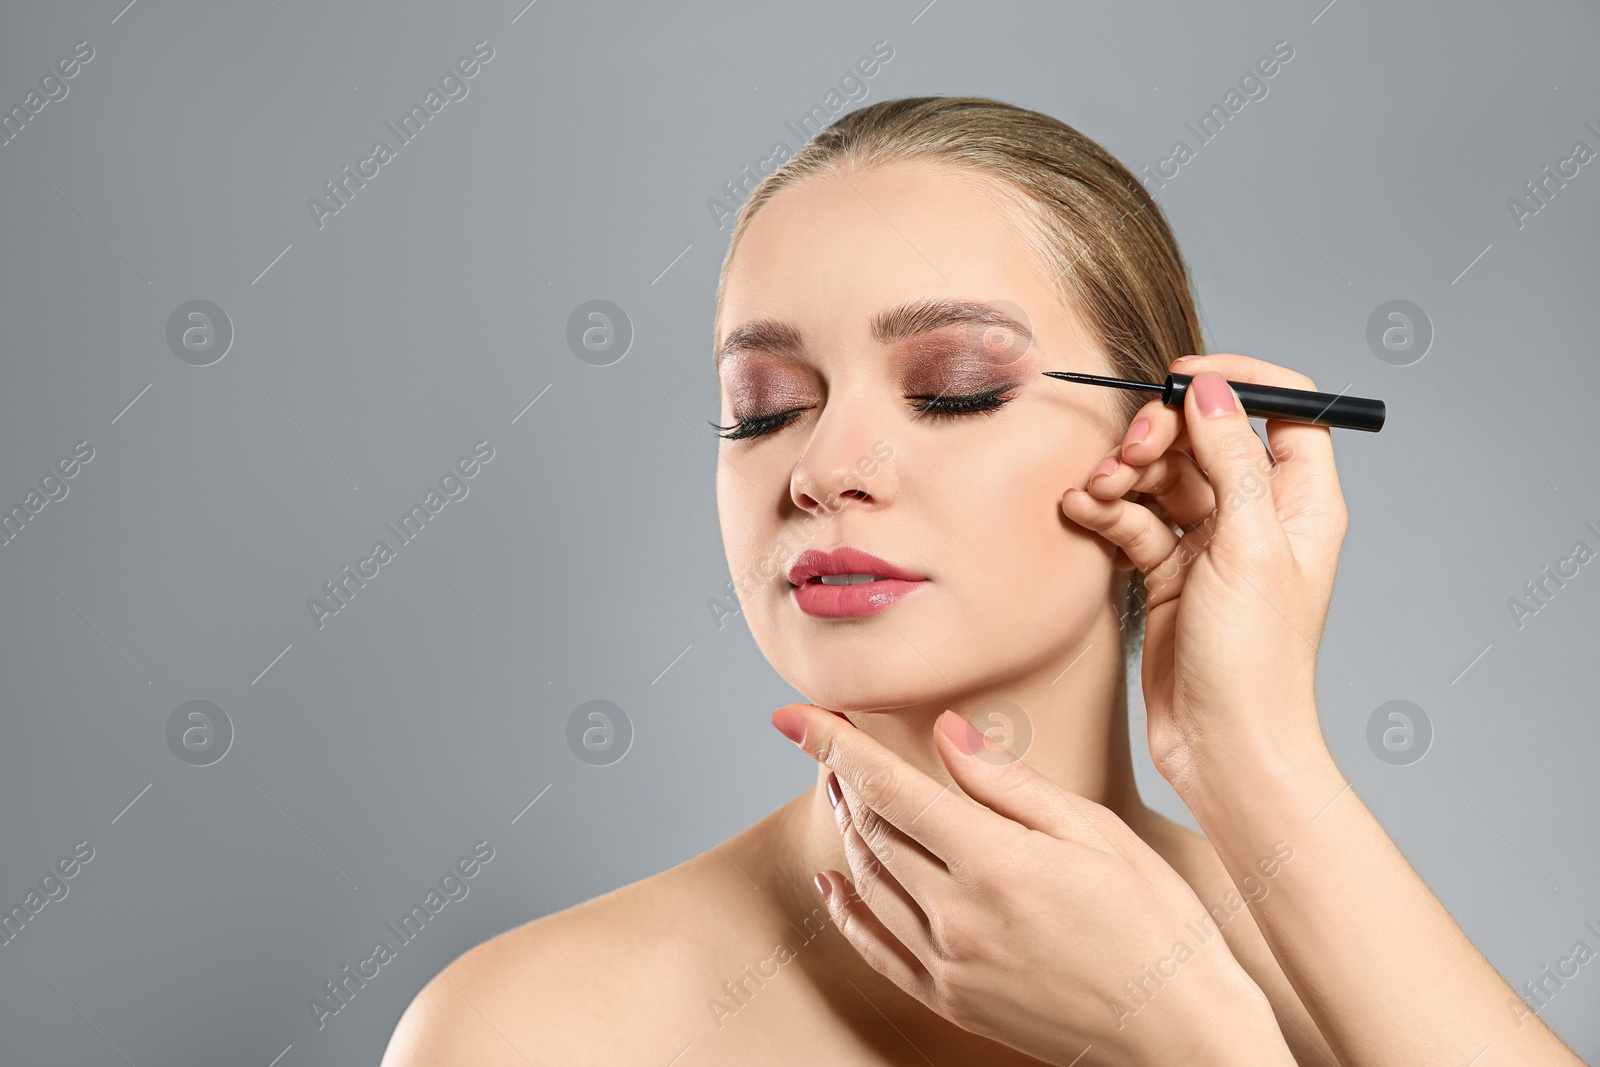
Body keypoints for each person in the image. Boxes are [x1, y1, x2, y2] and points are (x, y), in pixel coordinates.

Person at [381, 96, 1585, 1065]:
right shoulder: (531, 1031)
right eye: (765, 408)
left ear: (1157, 442)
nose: (824, 469)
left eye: (951, 387)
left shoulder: (1342, 981)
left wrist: (1247, 786)